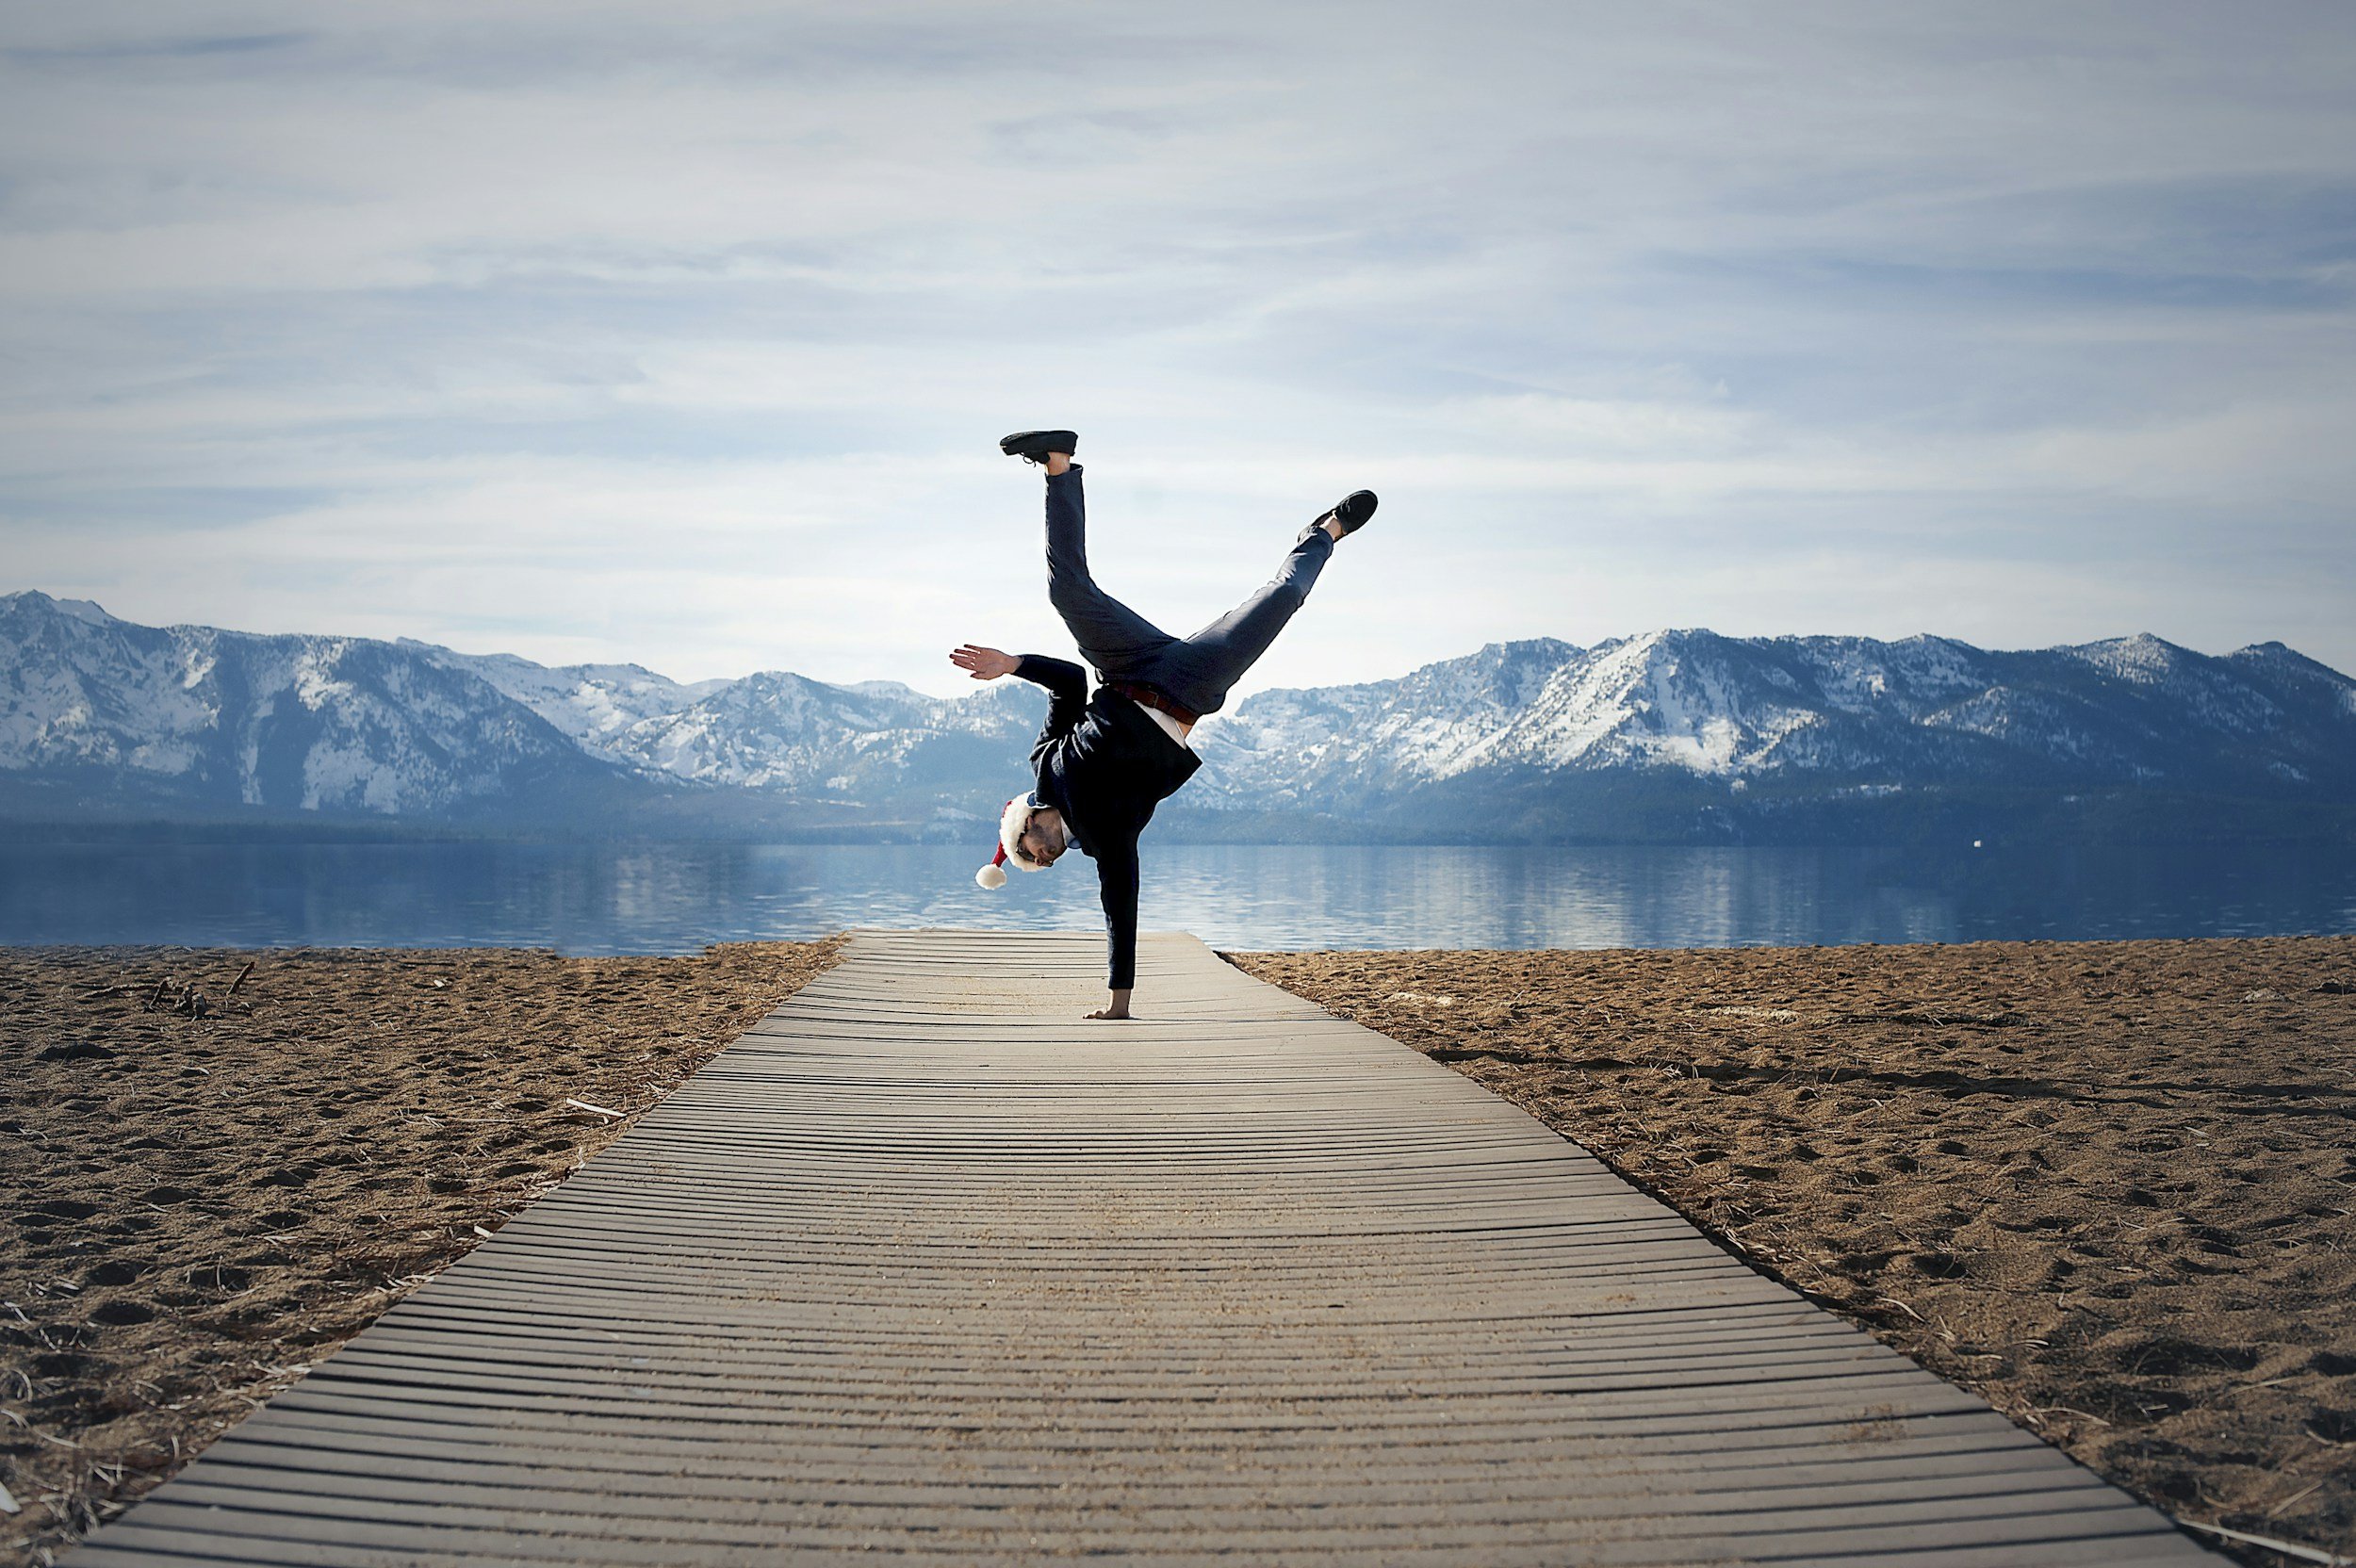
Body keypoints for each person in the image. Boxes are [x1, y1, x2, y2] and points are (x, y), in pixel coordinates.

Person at [952, 429, 1376, 1020]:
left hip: (1124, 663)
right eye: (1040, 864)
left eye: (1028, 853)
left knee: (1066, 589)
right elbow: (1120, 907)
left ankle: (1057, 463)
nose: (1041, 860)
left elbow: (1071, 682)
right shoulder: (1107, 841)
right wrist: (1118, 1004)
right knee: (1279, 601)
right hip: (1190, 686)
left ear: (1023, 826)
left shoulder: (1045, 763)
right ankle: (1325, 533)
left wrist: (1012, 665)